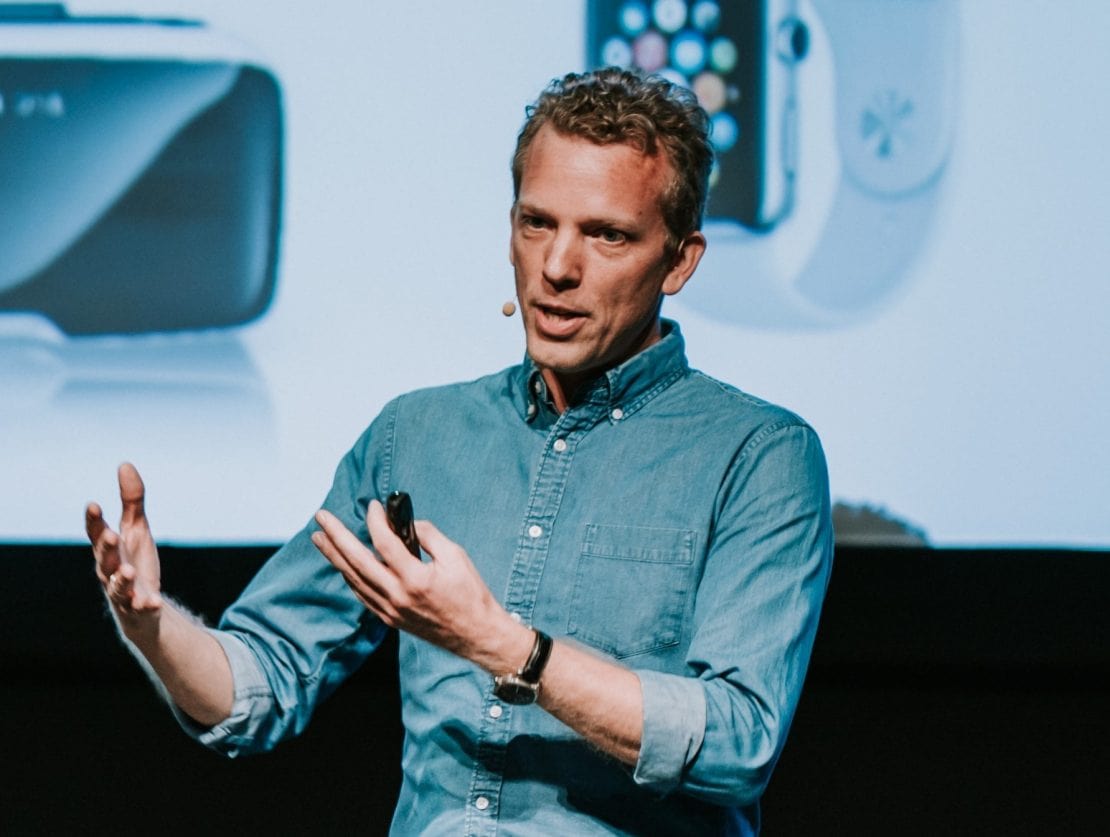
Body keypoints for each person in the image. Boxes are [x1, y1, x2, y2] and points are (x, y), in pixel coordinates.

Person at [87, 68, 833, 835]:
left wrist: (501, 644)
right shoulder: (416, 434)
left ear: (679, 260)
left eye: (606, 234)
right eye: (536, 223)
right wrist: (152, 624)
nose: (557, 267)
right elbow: (261, 683)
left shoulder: (759, 455)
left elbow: (739, 739)